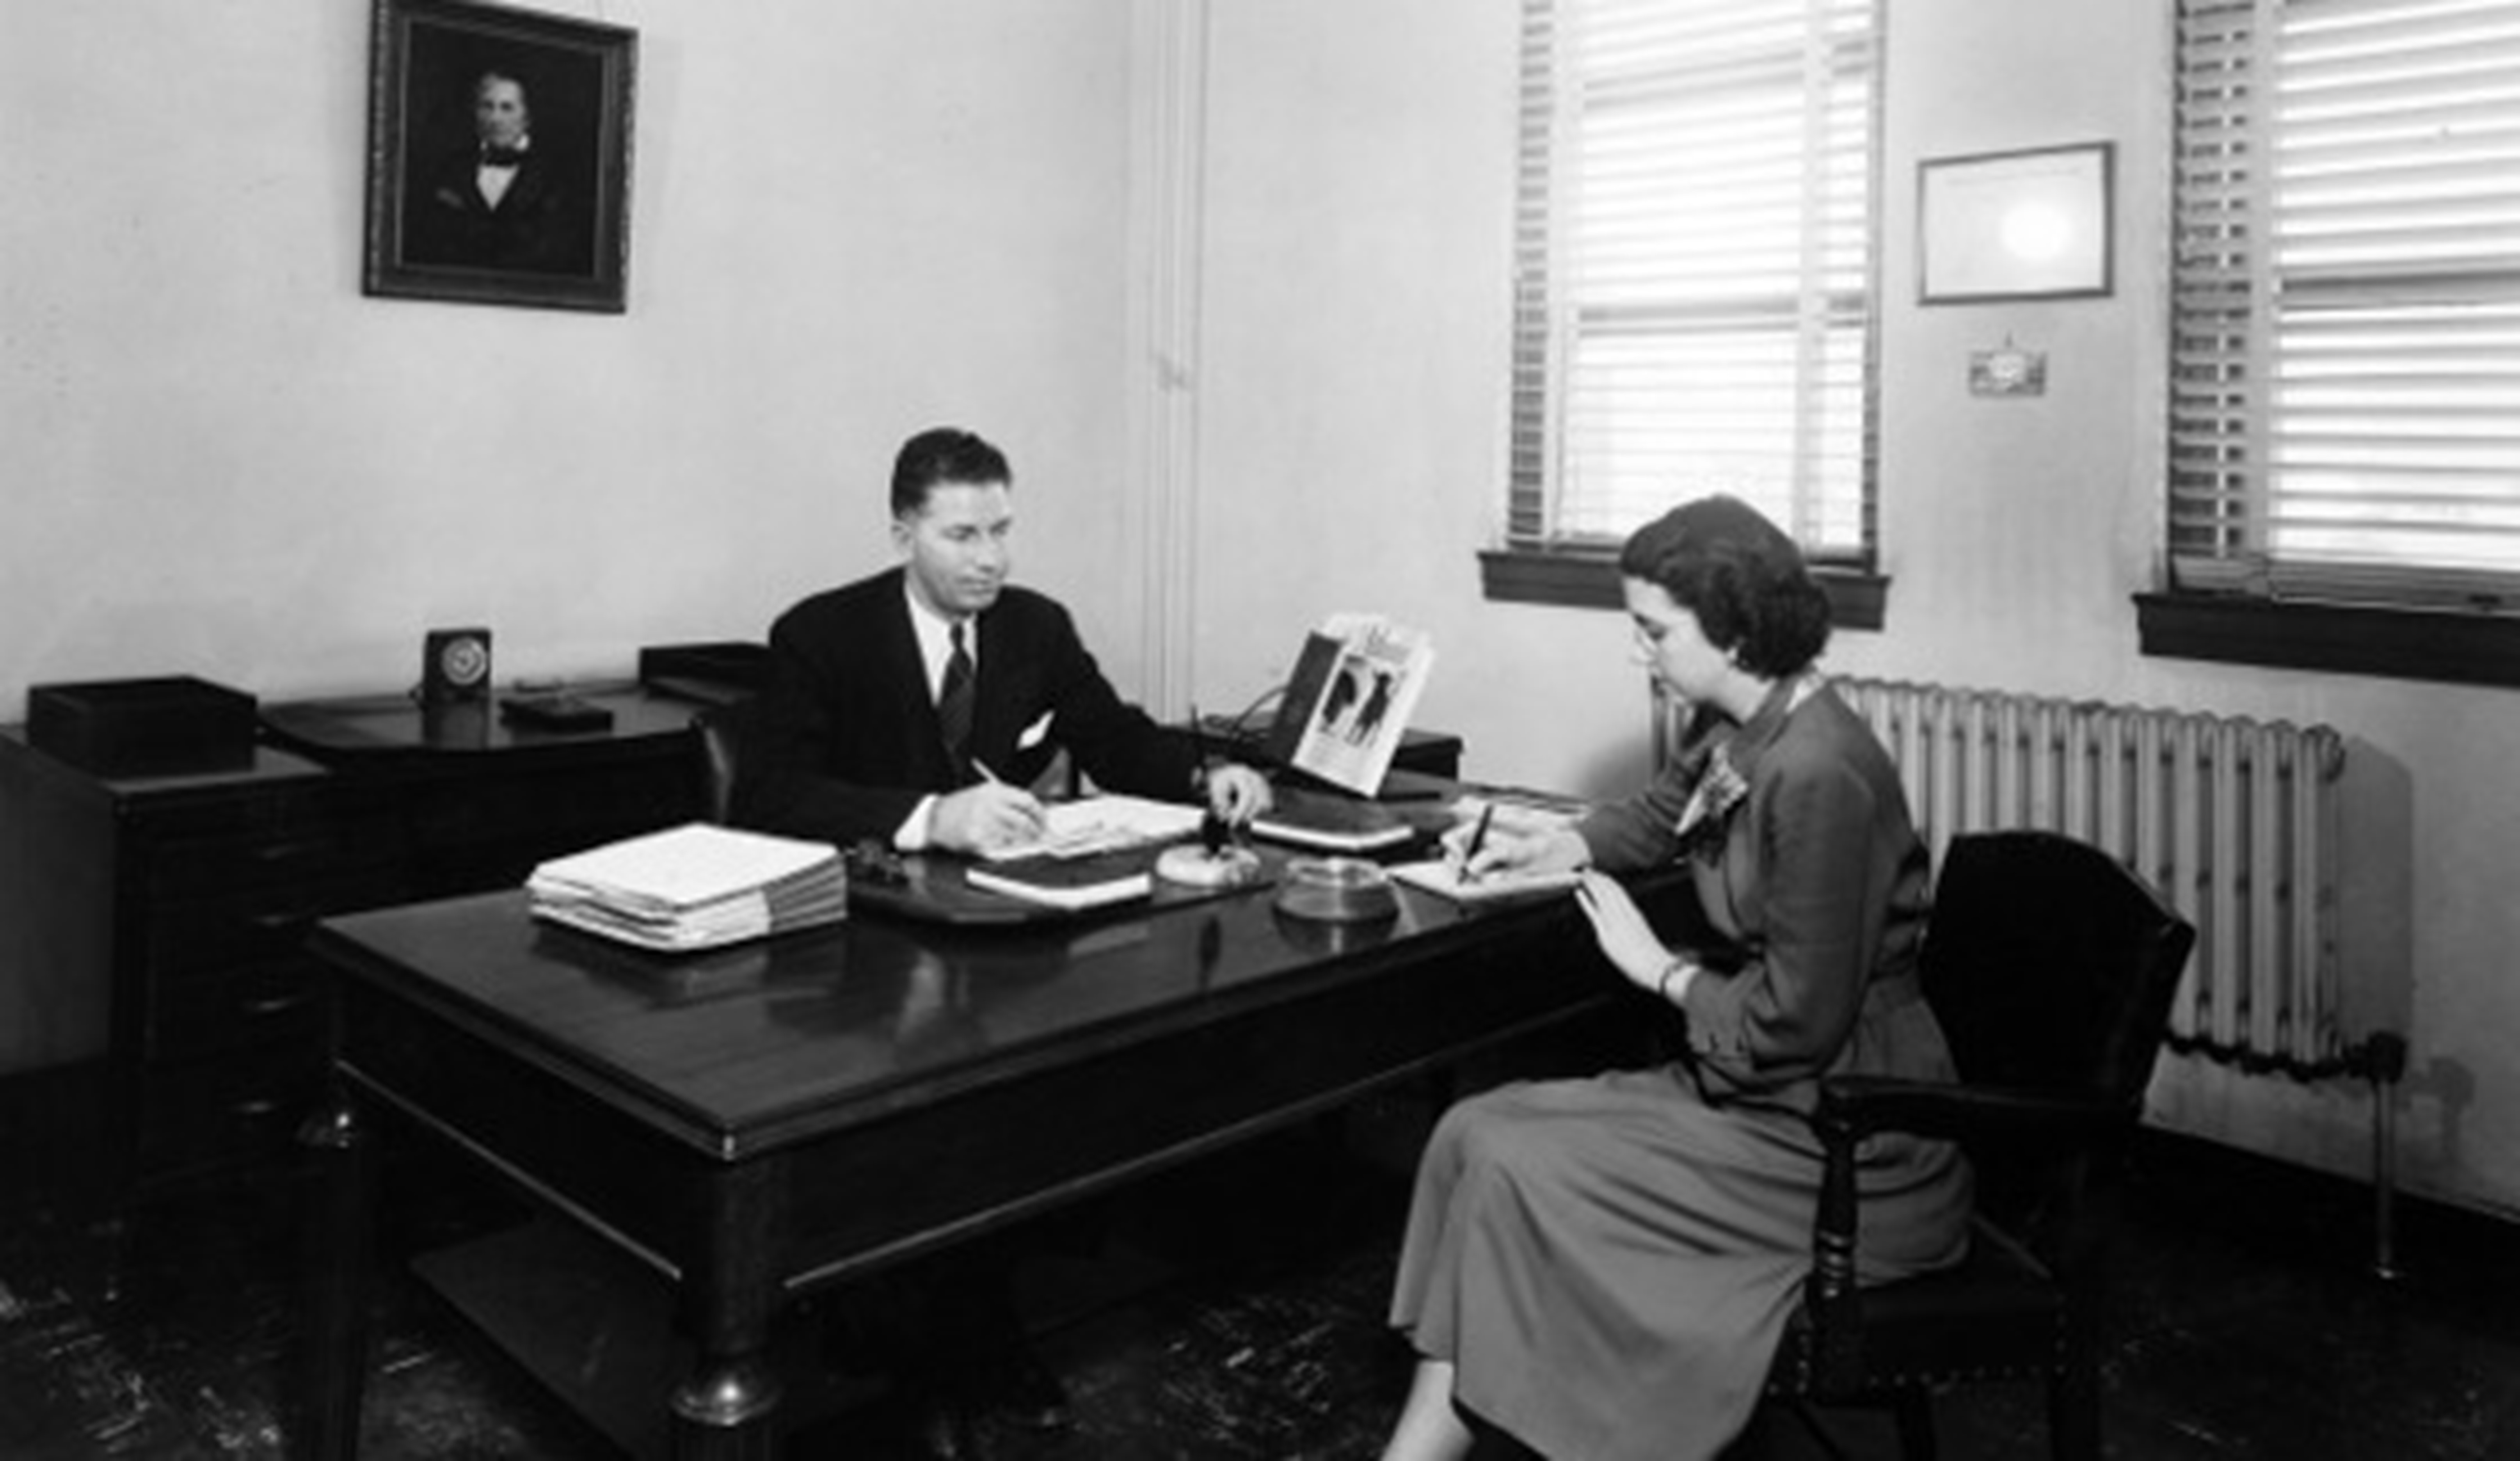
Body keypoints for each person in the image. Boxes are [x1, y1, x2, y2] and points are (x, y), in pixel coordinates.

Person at [1379, 495, 1974, 1461]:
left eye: (1653, 629)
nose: (1639, 649)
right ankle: (1426, 1442)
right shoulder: (1748, 724)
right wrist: (1558, 841)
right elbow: (1658, 818)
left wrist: (1660, 972)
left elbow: (1796, 1022)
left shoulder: (1819, 770)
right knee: (1463, 1130)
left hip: (1850, 1135)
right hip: (1766, 1085)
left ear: (1733, 630)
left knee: (1507, 1156)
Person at [734, 425, 1272, 1458]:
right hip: (862, 937)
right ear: (904, 532)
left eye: (1002, 531)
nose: (989, 558)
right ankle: (941, 1342)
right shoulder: (821, 635)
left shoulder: (1034, 627)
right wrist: (930, 816)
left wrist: (1206, 779)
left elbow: (1112, 736)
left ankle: (970, 1319)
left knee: (1064, 1075)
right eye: (961, 533)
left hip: (1006, 926)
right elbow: (768, 792)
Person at [405, 69, 587, 274]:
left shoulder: (555, 175)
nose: (495, 119)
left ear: (527, 117)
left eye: (507, 108)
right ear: (475, 113)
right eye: (487, 107)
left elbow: (556, 253)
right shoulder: (450, 169)